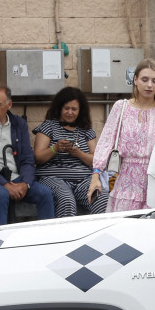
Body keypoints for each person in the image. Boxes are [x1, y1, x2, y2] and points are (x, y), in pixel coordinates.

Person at [90, 58, 155, 212]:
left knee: (153, 231)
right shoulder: (121, 107)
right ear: (135, 80)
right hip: (127, 180)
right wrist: (96, 176)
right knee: (124, 230)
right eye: (144, 79)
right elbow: (106, 142)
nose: (149, 85)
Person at [0, 84, 55, 226]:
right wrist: (5, 185)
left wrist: (25, 184)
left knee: (45, 193)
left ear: (9, 105)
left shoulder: (19, 124)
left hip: (17, 178)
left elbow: (27, 159)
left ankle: (48, 240)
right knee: (1, 194)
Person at [33, 87, 108, 217]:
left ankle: (98, 235)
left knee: (102, 199)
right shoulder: (48, 126)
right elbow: (37, 157)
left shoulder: (86, 130)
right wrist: (55, 148)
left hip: (84, 180)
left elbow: (96, 160)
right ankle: (67, 236)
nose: (70, 112)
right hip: (54, 178)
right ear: (59, 108)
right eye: (66, 108)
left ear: (80, 111)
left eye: (74, 109)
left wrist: (78, 153)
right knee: (66, 200)